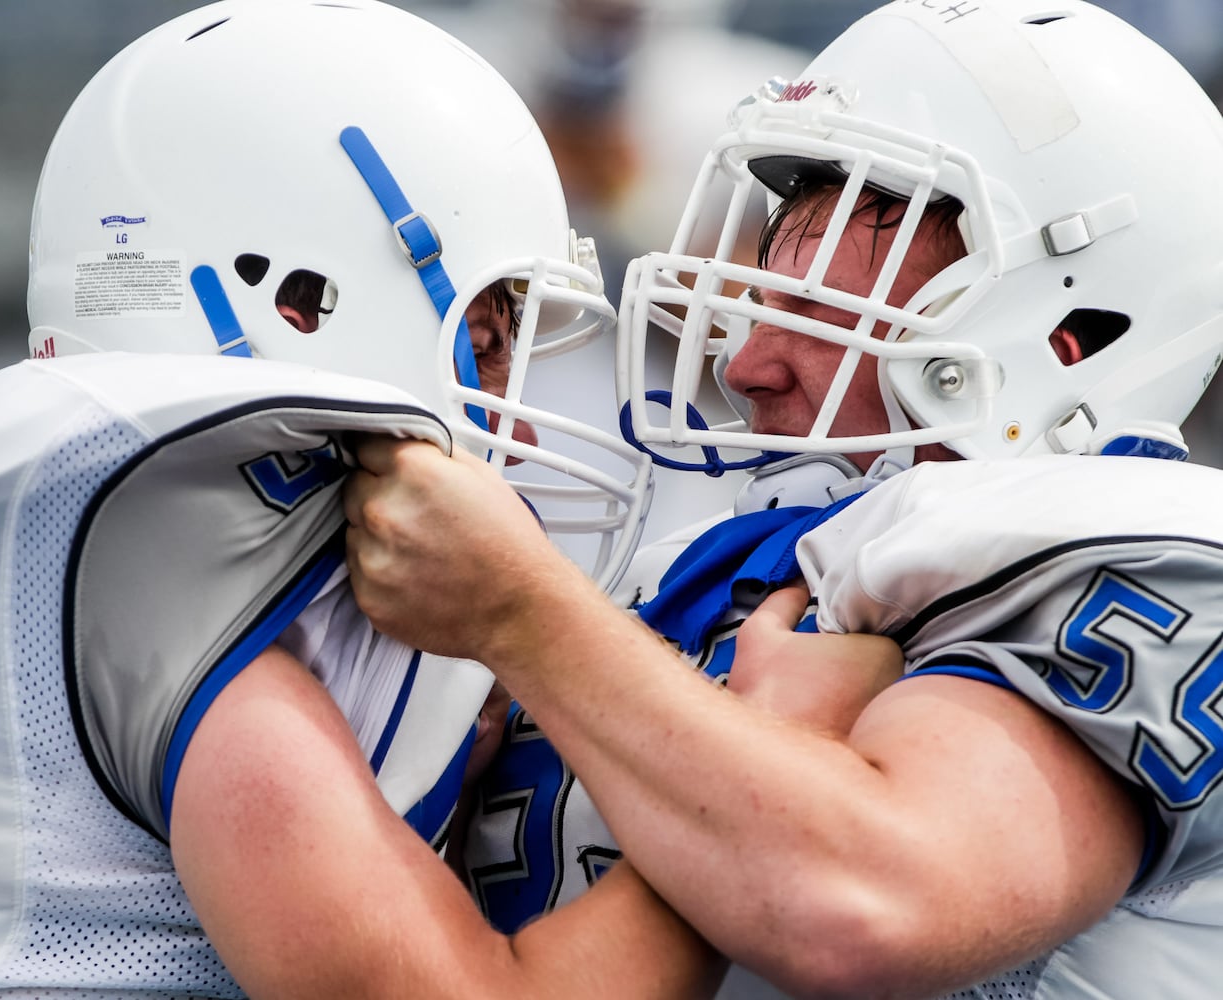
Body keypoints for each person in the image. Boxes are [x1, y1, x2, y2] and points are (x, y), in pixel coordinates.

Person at [0, 2, 746, 997]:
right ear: (294, 297)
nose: (512, 417)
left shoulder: (57, 481)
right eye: (479, 336)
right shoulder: (168, 514)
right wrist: (727, 807)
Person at [344, 2, 1223, 997]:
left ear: (1067, 331)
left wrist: (524, 617)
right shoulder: (695, 567)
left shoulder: (1136, 547)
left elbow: (866, 906)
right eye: (763, 300)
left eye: (820, 315)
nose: (750, 364)